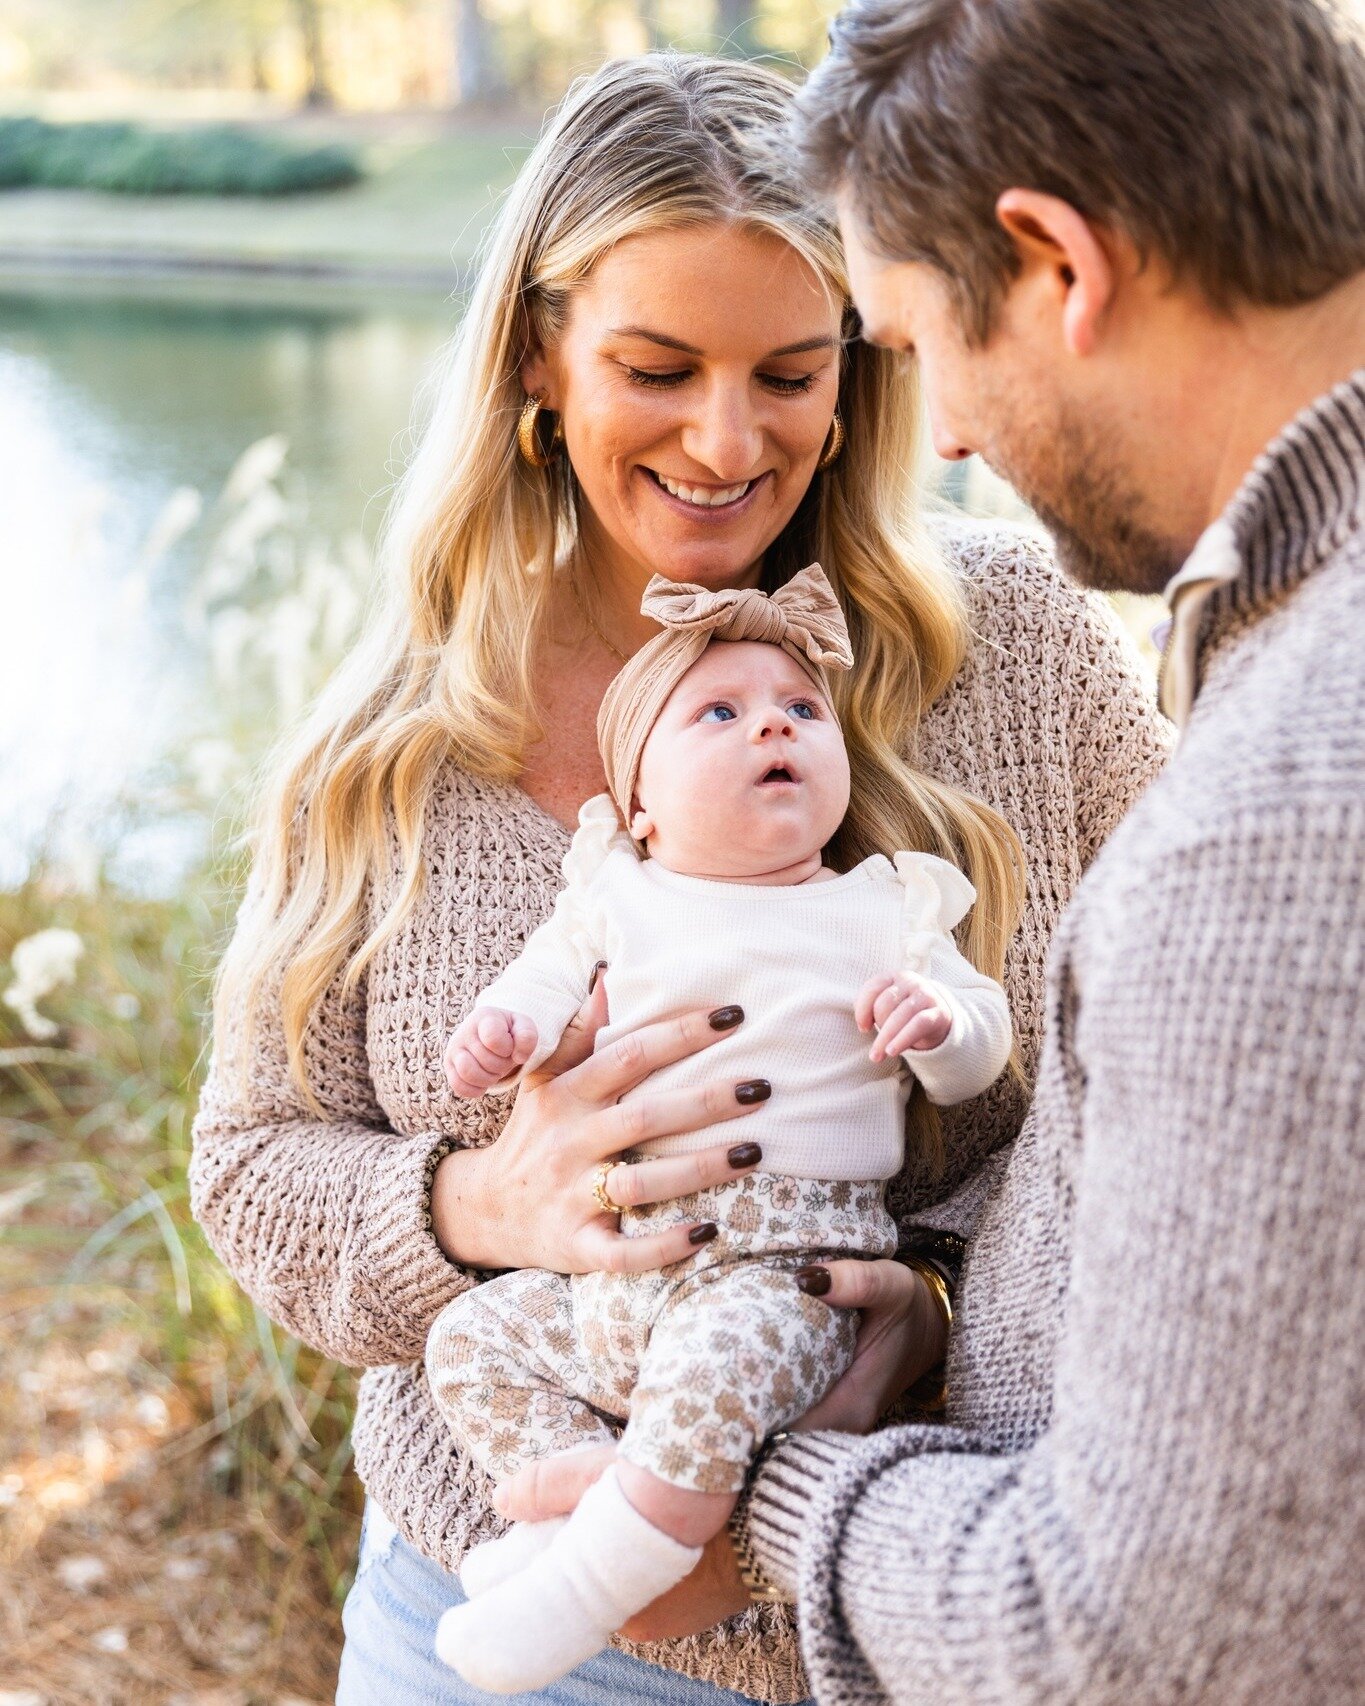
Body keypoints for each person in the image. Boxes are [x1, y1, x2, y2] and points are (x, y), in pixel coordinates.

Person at [188, 50, 1168, 1706]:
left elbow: (1164, 1096)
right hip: (481, 1628)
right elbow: (251, 1163)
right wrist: (476, 1205)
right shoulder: (393, 748)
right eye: (658, 367)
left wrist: (924, 1311)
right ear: (537, 360)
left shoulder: (1022, 652)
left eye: (792, 372)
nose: (728, 441)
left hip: (926, 1614)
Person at [495, 4, 1365, 1701]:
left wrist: (757, 1496)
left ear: (1054, 263)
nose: (947, 432)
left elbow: (1161, 1639)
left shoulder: (1278, 809)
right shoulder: (1286, 681)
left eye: (903, 342)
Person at [428, 566, 1011, 1693]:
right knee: (475, 1341)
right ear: (639, 801)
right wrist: (501, 1034)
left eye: (800, 709)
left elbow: (980, 1046)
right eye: (723, 713)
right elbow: (536, 992)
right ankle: (580, 1502)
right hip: (613, 1285)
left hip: (782, 1273)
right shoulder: (615, 896)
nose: (774, 727)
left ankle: (584, 1584)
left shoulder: (880, 906)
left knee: (708, 1375)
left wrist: (936, 1024)